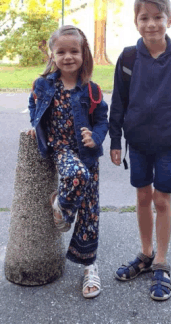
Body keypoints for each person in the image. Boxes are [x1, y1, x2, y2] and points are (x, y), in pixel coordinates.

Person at [109, 0, 171, 301]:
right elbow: (118, 103)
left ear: (169, 20)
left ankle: (161, 260)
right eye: (144, 17)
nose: (151, 23)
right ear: (136, 22)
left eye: (157, 17)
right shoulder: (129, 57)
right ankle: (146, 254)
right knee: (142, 198)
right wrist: (116, 139)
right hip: (137, 142)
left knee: (162, 200)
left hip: (168, 142)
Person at [27, 24, 108, 298]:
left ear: (83, 53)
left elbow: (102, 120)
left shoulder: (91, 90)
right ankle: (60, 206)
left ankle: (90, 269)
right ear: (52, 54)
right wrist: (35, 125)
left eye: (74, 51)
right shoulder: (44, 84)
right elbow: (33, 103)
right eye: (61, 51)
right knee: (77, 176)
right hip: (62, 149)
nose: (68, 56)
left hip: (88, 154)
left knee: (90, 214)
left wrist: (96, 137)